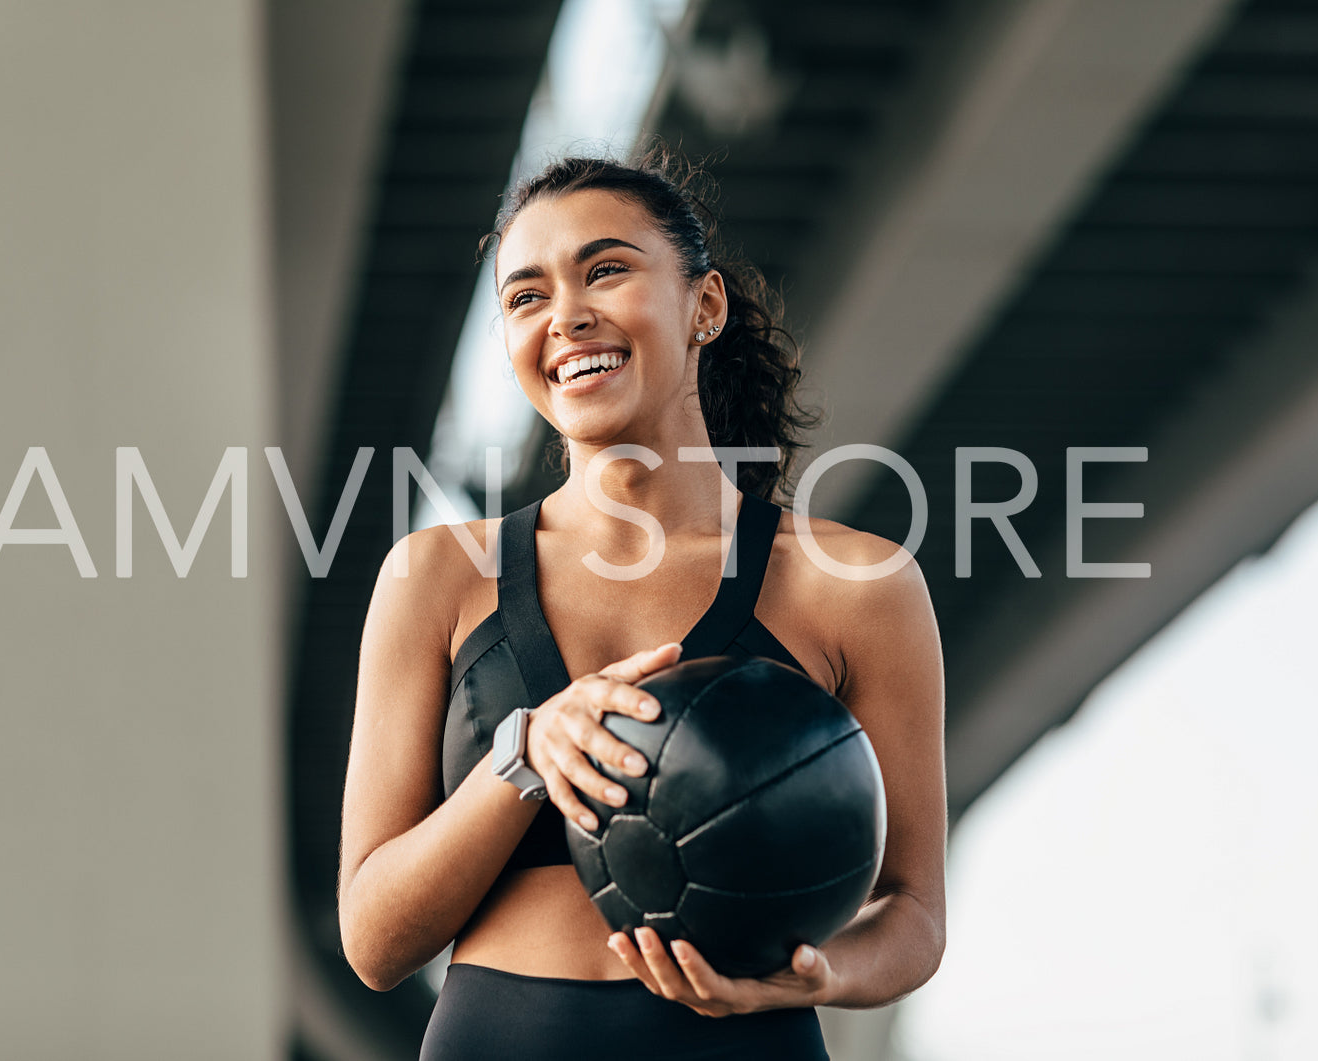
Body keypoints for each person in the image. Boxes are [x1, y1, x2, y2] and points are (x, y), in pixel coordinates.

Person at [338, 148, 947, 1060]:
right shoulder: (435, 578)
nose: (567, 315)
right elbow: (375, 943)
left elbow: (913, 911)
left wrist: (825, 972)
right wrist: (523, 752)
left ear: (703, 306)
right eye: (524, 296)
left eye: (607, 270)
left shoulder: (854, 584)